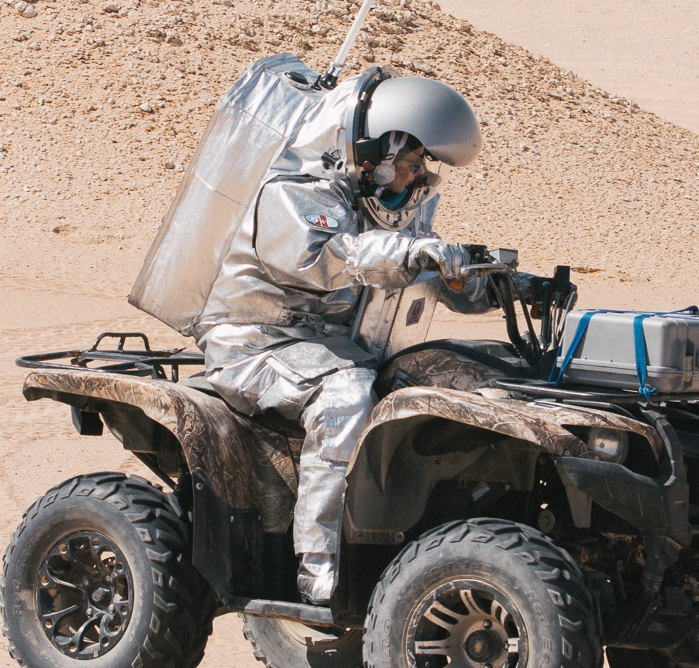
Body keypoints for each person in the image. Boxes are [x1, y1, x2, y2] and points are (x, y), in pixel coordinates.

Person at [193, 72, 503, 612]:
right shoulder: (294, 195)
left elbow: (437, 275)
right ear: (369, 151)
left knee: (460, 374)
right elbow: (329, 258)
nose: (413, 173)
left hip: (335, 348)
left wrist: (495, 281)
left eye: (419, 164)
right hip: (258, 342)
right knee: (345, 398)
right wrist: (411, 256)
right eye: (405, 161)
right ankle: (318, 573)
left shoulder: (400, 207)